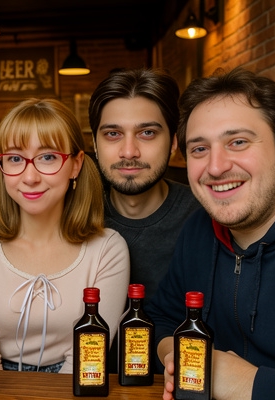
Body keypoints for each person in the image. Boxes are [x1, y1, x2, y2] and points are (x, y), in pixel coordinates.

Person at [145, 68, 275, 399]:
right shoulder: (198, 230)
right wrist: (175, 354)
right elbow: (162, 316)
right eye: (199, 149)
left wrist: (250, 383)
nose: (216, 167)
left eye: (238, 142)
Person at [0, 98, 129, 374]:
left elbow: (87, 358)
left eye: (47, 157)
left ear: (76, 164)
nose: (30, 177)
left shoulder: (108, 249)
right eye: (15, 159)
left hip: (75, 382)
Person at [89, 68, 201, 304]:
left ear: (173, 142)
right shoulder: (74, 215)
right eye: (113, 134)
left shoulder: (205, 216)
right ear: (95, 144)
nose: (129, 151)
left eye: (147, 133)